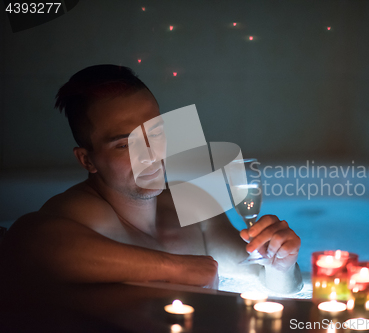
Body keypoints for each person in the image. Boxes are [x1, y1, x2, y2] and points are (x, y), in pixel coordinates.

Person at [0, 65, 302, 293]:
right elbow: (24, 243)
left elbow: (273, 282)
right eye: (123, 144)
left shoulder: (192, 203)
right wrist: (177, 269)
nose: (150, 154)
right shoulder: (87, 213)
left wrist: (283, 263)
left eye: (155, 133)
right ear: (87, 160)